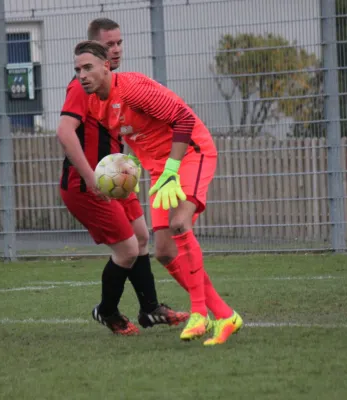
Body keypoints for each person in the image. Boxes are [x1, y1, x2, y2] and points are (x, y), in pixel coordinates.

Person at [75, 40, 243, 346]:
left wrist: (170, 170)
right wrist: (120, 174)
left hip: (191, 153)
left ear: (106, 67)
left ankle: (199, 313)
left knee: (180, 223)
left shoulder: (133, 88)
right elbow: (130, 139)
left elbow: (184, 120)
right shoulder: (94, 104)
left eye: (88, 67)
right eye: (78, 70)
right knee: (164, 252)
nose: (82, 75)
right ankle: (225, 315)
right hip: (160, 169)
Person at [57, 18, 189, 336]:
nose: (115, 50)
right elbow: (64, 131)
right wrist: (90, 178)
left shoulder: (118, 85)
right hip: (86, 185)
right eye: (108, 45)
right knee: (128, 250)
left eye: (119, 43)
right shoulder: (81, 85)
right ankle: (107, 311)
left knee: (141, 237)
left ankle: (149, 309)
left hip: (114, 179)